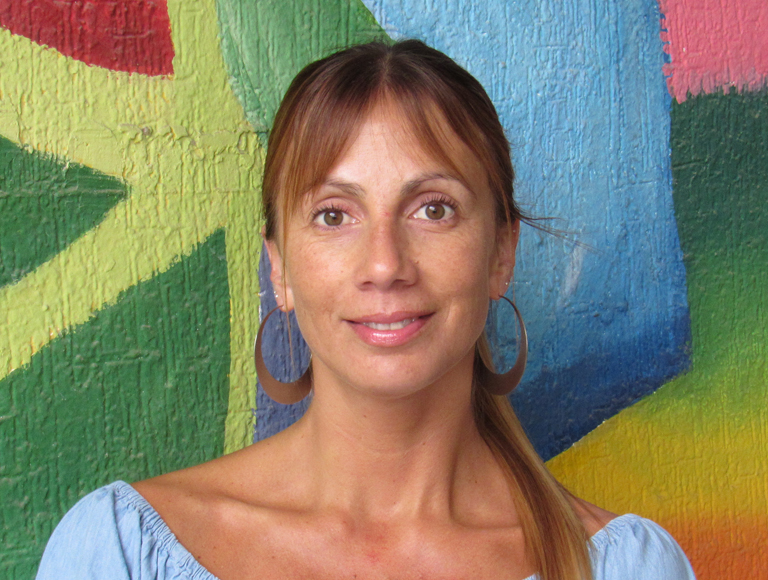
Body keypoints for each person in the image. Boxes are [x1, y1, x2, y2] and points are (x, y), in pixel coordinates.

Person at [36, 40, 696, 580]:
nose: (384, 264)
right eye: (334, 215)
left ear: (501, 253)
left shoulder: (623, 569)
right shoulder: (123, 554)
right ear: (279, 267)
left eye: (433, 209)